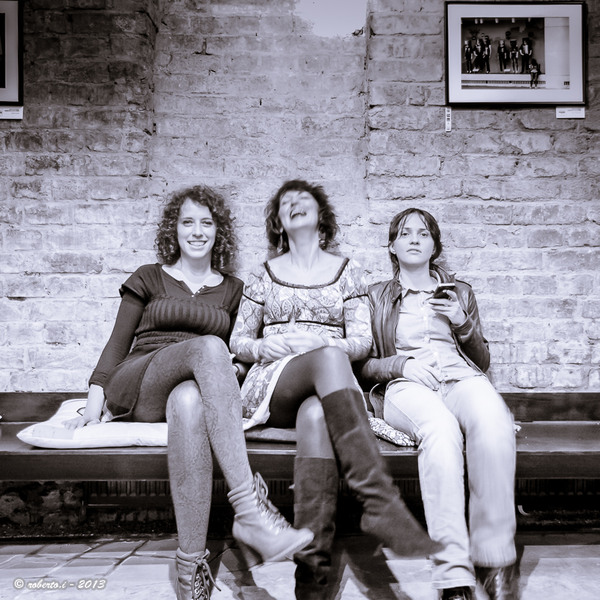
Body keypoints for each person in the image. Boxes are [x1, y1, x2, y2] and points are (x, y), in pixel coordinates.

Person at [64, 185, 313, 600]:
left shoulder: (233, 289)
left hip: (190, 385)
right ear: (174, 229)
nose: (197, 231)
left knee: (190, 401)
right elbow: (116, 346)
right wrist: (93, 407)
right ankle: (250, 510)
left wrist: (231, 367)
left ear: (219, 232)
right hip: (141, 380)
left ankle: (190, 567)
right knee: (209, 346)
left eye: (206, 223)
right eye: (187, 222)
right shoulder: (149, 276)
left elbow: (238, 355)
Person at [229, 180, 436, 599]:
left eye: (303, 199)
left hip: (329, 391)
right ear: (278, 222)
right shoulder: (262, 274)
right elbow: (237, 341)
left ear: (321, 215)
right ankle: (378, 500)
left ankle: (313, 577)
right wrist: (262, 346)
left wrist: (322, 342)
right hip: (274, 383)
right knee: (328, 358)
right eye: (286, 202)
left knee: (317, 412)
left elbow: (362, 341)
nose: (294, 204)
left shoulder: (349, 271)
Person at [360, 208, 519, 600]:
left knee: (494, 422)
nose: (415, 239)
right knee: (441, 431)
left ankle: (495, 558)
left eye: (424, 233)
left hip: (461, 380)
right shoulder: (376, 295)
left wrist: (462, 322)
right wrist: (401, 364)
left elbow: (482, 361)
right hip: (407, 388)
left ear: (435, 245)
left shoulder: (460, 291)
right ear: (392, 246)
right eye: (405, 233)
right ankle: (453, 574)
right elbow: (362, 364)